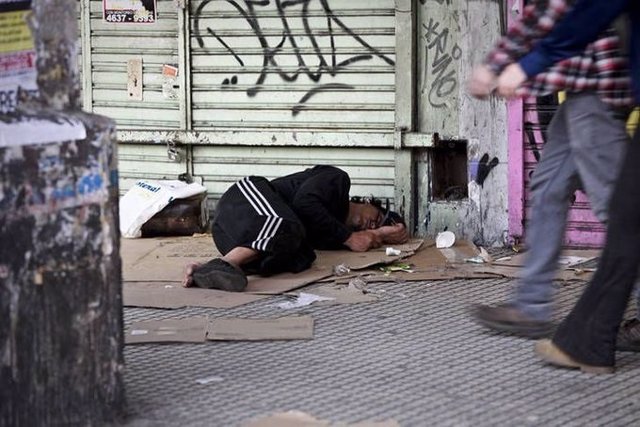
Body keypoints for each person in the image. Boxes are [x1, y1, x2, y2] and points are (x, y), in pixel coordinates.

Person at [467, 0, 633, 338]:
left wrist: (511, 67)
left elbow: (557, 18)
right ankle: (531, 307)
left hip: (596, 92)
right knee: (548, 188)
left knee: (617, 209)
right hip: (581, 95)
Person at [182, 165, 409, 292]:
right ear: (368, 202)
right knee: (291, 227)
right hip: (244, 199)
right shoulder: (337, 181)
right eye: (377, 216)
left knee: (301, 257)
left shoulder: (329, 235)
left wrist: (376, 235)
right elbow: (304, 203)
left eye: (377, 226)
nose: (373, 224)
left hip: (235, 237)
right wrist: (350, 237)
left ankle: (210, 271)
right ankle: (226, 263)